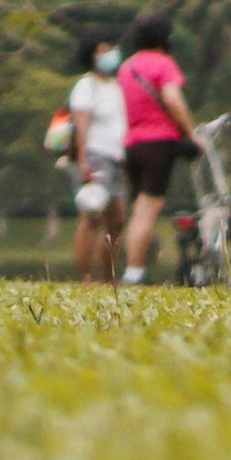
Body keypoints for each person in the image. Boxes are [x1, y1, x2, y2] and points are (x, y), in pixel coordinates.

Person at [110, 15, 199, 286]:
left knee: (139, 208)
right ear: (164, 40)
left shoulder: (127, 67)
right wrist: (190, 133)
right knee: (149, 208)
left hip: (132, 144)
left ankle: (132, 268)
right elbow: (172, 99)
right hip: (158, 143)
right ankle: (134, 272)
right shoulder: (163, 63)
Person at [67, 43, 124, 283]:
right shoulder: (86, 86)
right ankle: (86, 277)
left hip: (118, 158)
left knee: (117, 220)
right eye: (103, 50)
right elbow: (81, 124)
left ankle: (109, 278)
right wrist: (83, 162)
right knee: (91, 216)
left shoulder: (116, 86)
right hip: (95, 156)